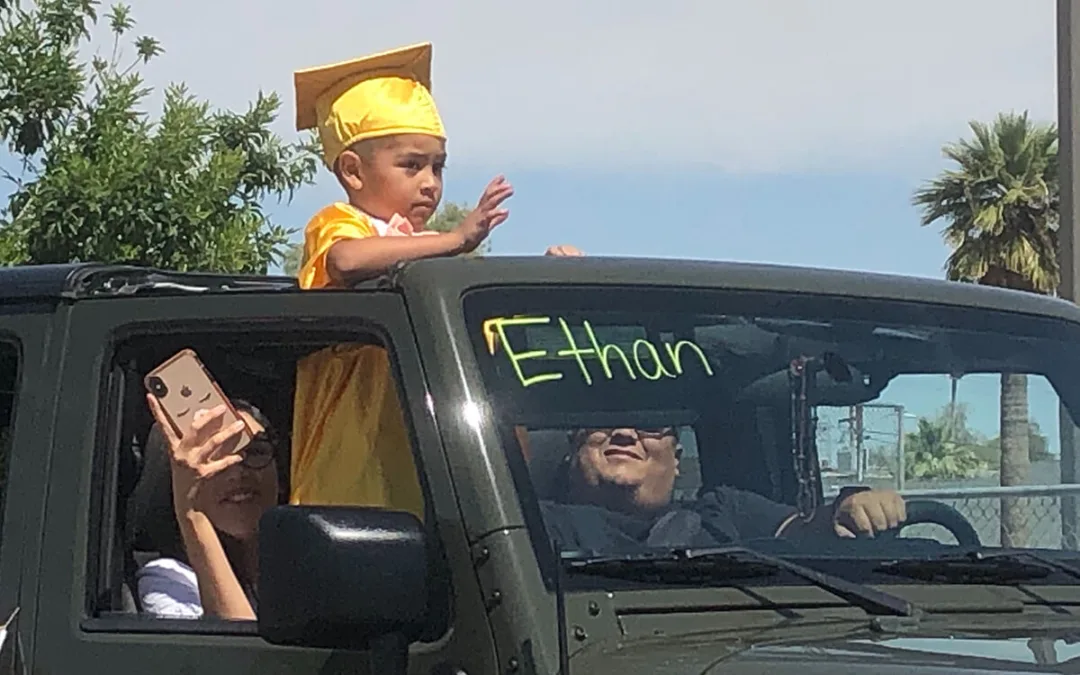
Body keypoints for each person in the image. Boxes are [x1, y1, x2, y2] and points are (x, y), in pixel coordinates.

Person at [288, 42, 580, 513]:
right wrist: (456, 240)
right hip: (352, 483)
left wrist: (543, 285)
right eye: (411, 164)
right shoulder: (342, 225)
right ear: (352, 171)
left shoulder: (432, 259)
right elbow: (345, 262)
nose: (430, 183)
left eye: (438, 167)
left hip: (432, 481)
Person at [538, 427, 907, 552]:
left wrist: (850, 508)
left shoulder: (725, 512)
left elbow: (806, 530)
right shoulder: (528, 527)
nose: (625, 432)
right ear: (572, 447)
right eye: (603, 418)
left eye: (651, 425)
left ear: (678, 458)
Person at [130, 397, 285, 619]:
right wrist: (191, 514)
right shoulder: (169, 579)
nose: (238, 472)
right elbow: (241, 650)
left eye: (256, 452)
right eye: (214, 459)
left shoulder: (305, 561)